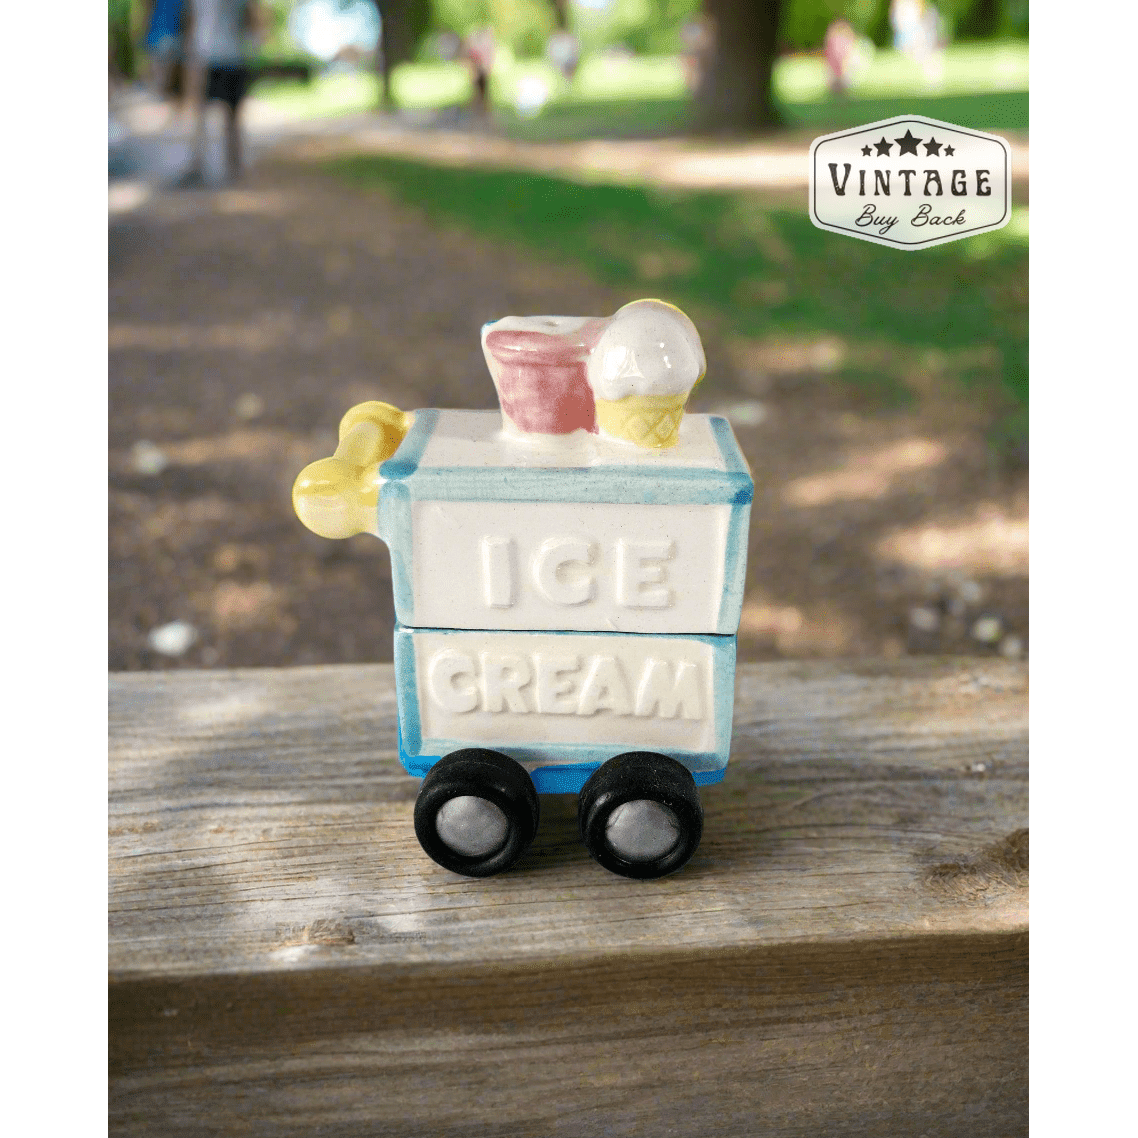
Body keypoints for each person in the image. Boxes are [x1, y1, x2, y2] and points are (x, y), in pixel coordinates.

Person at [179, 0, 266, 186]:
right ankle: (226, 167)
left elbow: (190, 23)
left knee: (211, 117)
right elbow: (253, 21)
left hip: (216, 58)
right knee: (225, 120)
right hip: (220, 58)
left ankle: (210, 165)